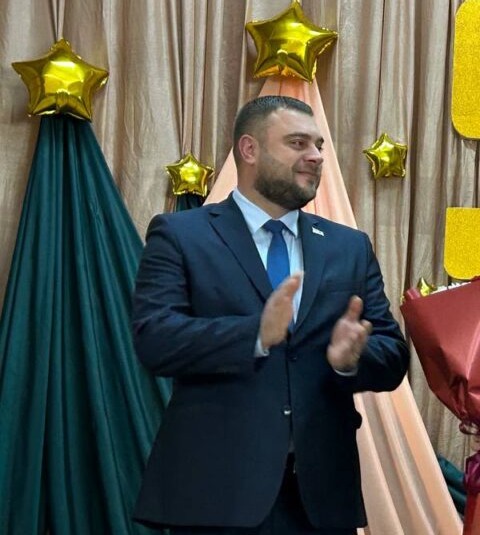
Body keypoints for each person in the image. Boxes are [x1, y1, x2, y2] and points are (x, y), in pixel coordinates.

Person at [131, 96, 409, 534]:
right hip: (216, 497)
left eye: (318, 145)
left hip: (321, 500)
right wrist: (255, 335)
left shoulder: (349, 247)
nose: (315, 156)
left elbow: (392, 354)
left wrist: (351, 360)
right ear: (249, 149)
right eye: (298, 143)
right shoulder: (182, 235)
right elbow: (155, 339)